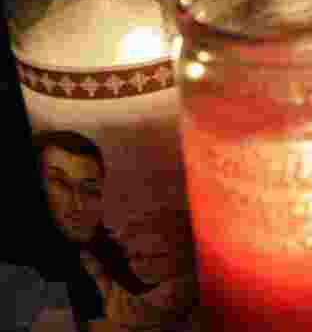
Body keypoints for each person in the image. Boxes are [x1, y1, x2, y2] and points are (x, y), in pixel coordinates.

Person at [33, 130, 196, 332]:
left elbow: (139, 310)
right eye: (60, 183)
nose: (77, 204)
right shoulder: (33, 275)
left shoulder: (106, 256)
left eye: (89, 190)